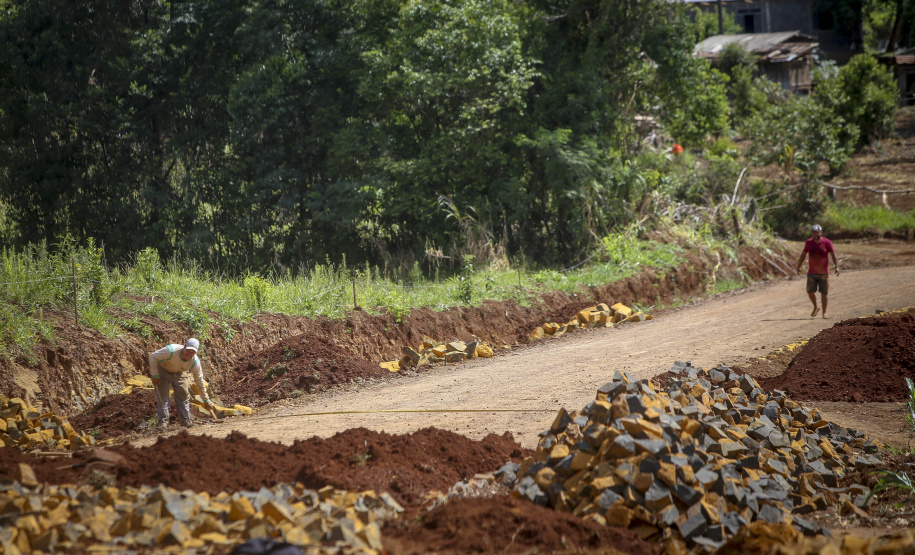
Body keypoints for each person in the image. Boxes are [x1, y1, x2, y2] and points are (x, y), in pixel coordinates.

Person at [149, 338, 215, 427]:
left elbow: (199, 380)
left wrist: (206, 400)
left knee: (183, 395)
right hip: (163, 371)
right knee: (163, 396)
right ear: (184, 347)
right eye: (188, 350)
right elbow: (153, 356)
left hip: (179, 373)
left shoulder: (195, 361)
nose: (189, 354)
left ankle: (186, 422)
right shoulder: (171, 350)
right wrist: (155, 375)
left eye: (192, 352)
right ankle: (163, 423)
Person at [795, 224, 839, 318]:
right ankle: (816, 306)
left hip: (824, 273)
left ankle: (824, 313)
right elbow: (803, 254)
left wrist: (836, 267)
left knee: (824, 293)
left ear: (821, 233)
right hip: (812, 272)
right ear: (811, 233)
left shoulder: (827, 242)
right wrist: (799, 266)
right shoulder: (809, 242)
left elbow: (833, 255)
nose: (815, 234)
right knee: (810, 291)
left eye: (817, 233)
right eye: (813, 233)